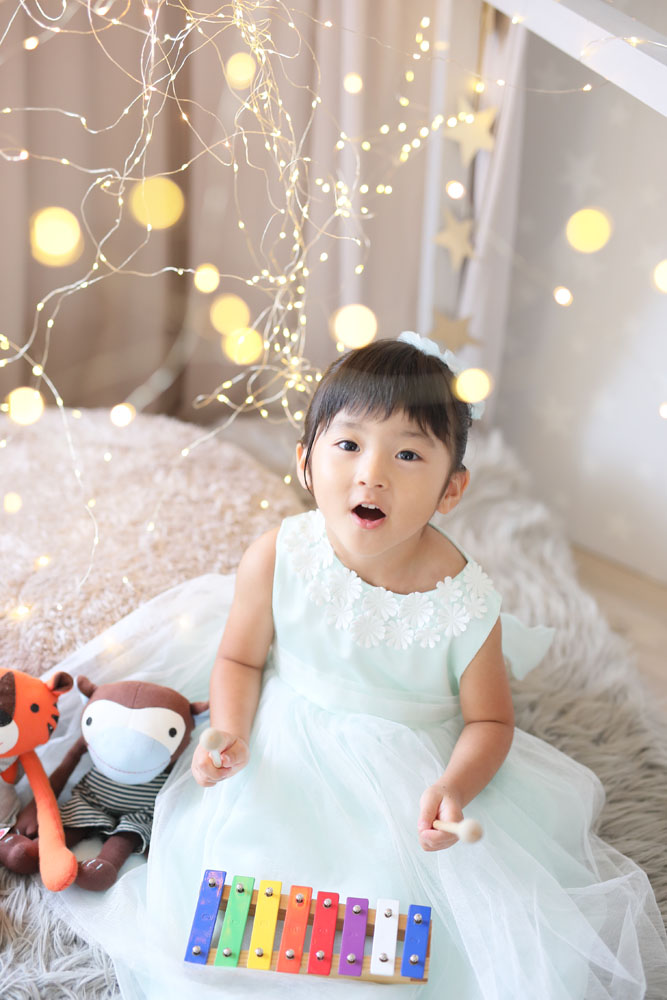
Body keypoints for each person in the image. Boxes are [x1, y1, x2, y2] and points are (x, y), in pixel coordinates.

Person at [51, 333, 666, 1000]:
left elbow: (490, 721)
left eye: (408, 454)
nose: (372, 473)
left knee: (402, 911)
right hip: (285, 746)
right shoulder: (279, 555)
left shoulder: (464, 603)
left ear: (451, 489)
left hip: (404, 773)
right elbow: (238, 657)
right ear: (305, 463)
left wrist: (454, 787)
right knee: (247, 876)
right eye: (348, 444)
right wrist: (228, 730)